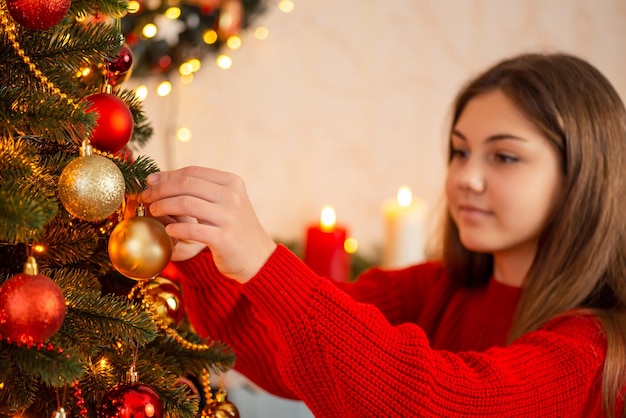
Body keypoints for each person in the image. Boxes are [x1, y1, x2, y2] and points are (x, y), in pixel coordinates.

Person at [141, 52, 626, 417]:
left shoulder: (591, 349)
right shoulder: (436, 287)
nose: (465, 178)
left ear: (582, 176)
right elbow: (282, 355)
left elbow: (436, 403)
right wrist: (202, 256)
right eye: (460, 152)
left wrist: (265, 261)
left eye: (503, 156)